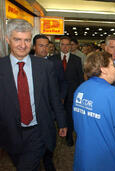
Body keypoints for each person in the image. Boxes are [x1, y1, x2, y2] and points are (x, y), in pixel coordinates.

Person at [0, 19, 67, 170]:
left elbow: (54, 97)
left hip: (38, 130)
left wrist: (62, 121)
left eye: (27, 40)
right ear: (7, 39)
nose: (23, 45)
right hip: (10, 132)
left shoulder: (44, 66)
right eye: (17, 39)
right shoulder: (1, 67)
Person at [72, 51, 115, 171]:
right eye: (113, 65)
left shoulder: (81, 89)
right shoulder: (112, 93)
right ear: (103, 69)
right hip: (107, 160)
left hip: (85, 157)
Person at [33, 34, 67, 171]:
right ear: (34, 47)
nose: (44, 48)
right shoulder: (26, 64)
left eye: (46, 45)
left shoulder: (55, 63)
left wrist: (61, 98)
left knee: (48, 146)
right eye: (41, 45)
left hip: (50, 112)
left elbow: (63, 82)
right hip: (32, 116)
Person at [49, 36, 84, 146]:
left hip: (71, 94)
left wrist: (79, 95)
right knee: (57, 115)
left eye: (67, 44)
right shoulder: (52, 59)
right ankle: (56, 134)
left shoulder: (76, 60)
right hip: (57, 94)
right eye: (62, 44)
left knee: (70, 116)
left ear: (71, 46)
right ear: (59, 46)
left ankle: (69, 137)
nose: (65, 47)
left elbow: (80, 78)